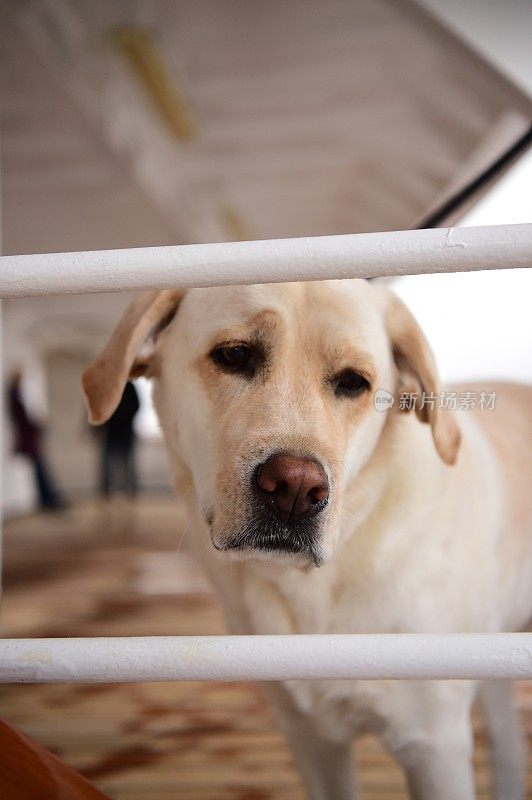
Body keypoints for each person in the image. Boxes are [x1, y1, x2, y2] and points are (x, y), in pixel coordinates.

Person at [8, 370, 65, 511]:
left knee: (40, 469)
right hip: (29, 439)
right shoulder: (16, 397)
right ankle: (48, 499)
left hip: (30, 438)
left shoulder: (18, 397)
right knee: (40, 469)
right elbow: (25, 420)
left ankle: (48, 498)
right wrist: (38, 426)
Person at [98, 380, 140, 497]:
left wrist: (124, 418)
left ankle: (131, 490)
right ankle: (106, 490)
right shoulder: (105, 386)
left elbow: (136, 405)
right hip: (111, 432)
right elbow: (96, 406)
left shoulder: (129, 387)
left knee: (128, 463)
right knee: (107, 463)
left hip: (125, 431)